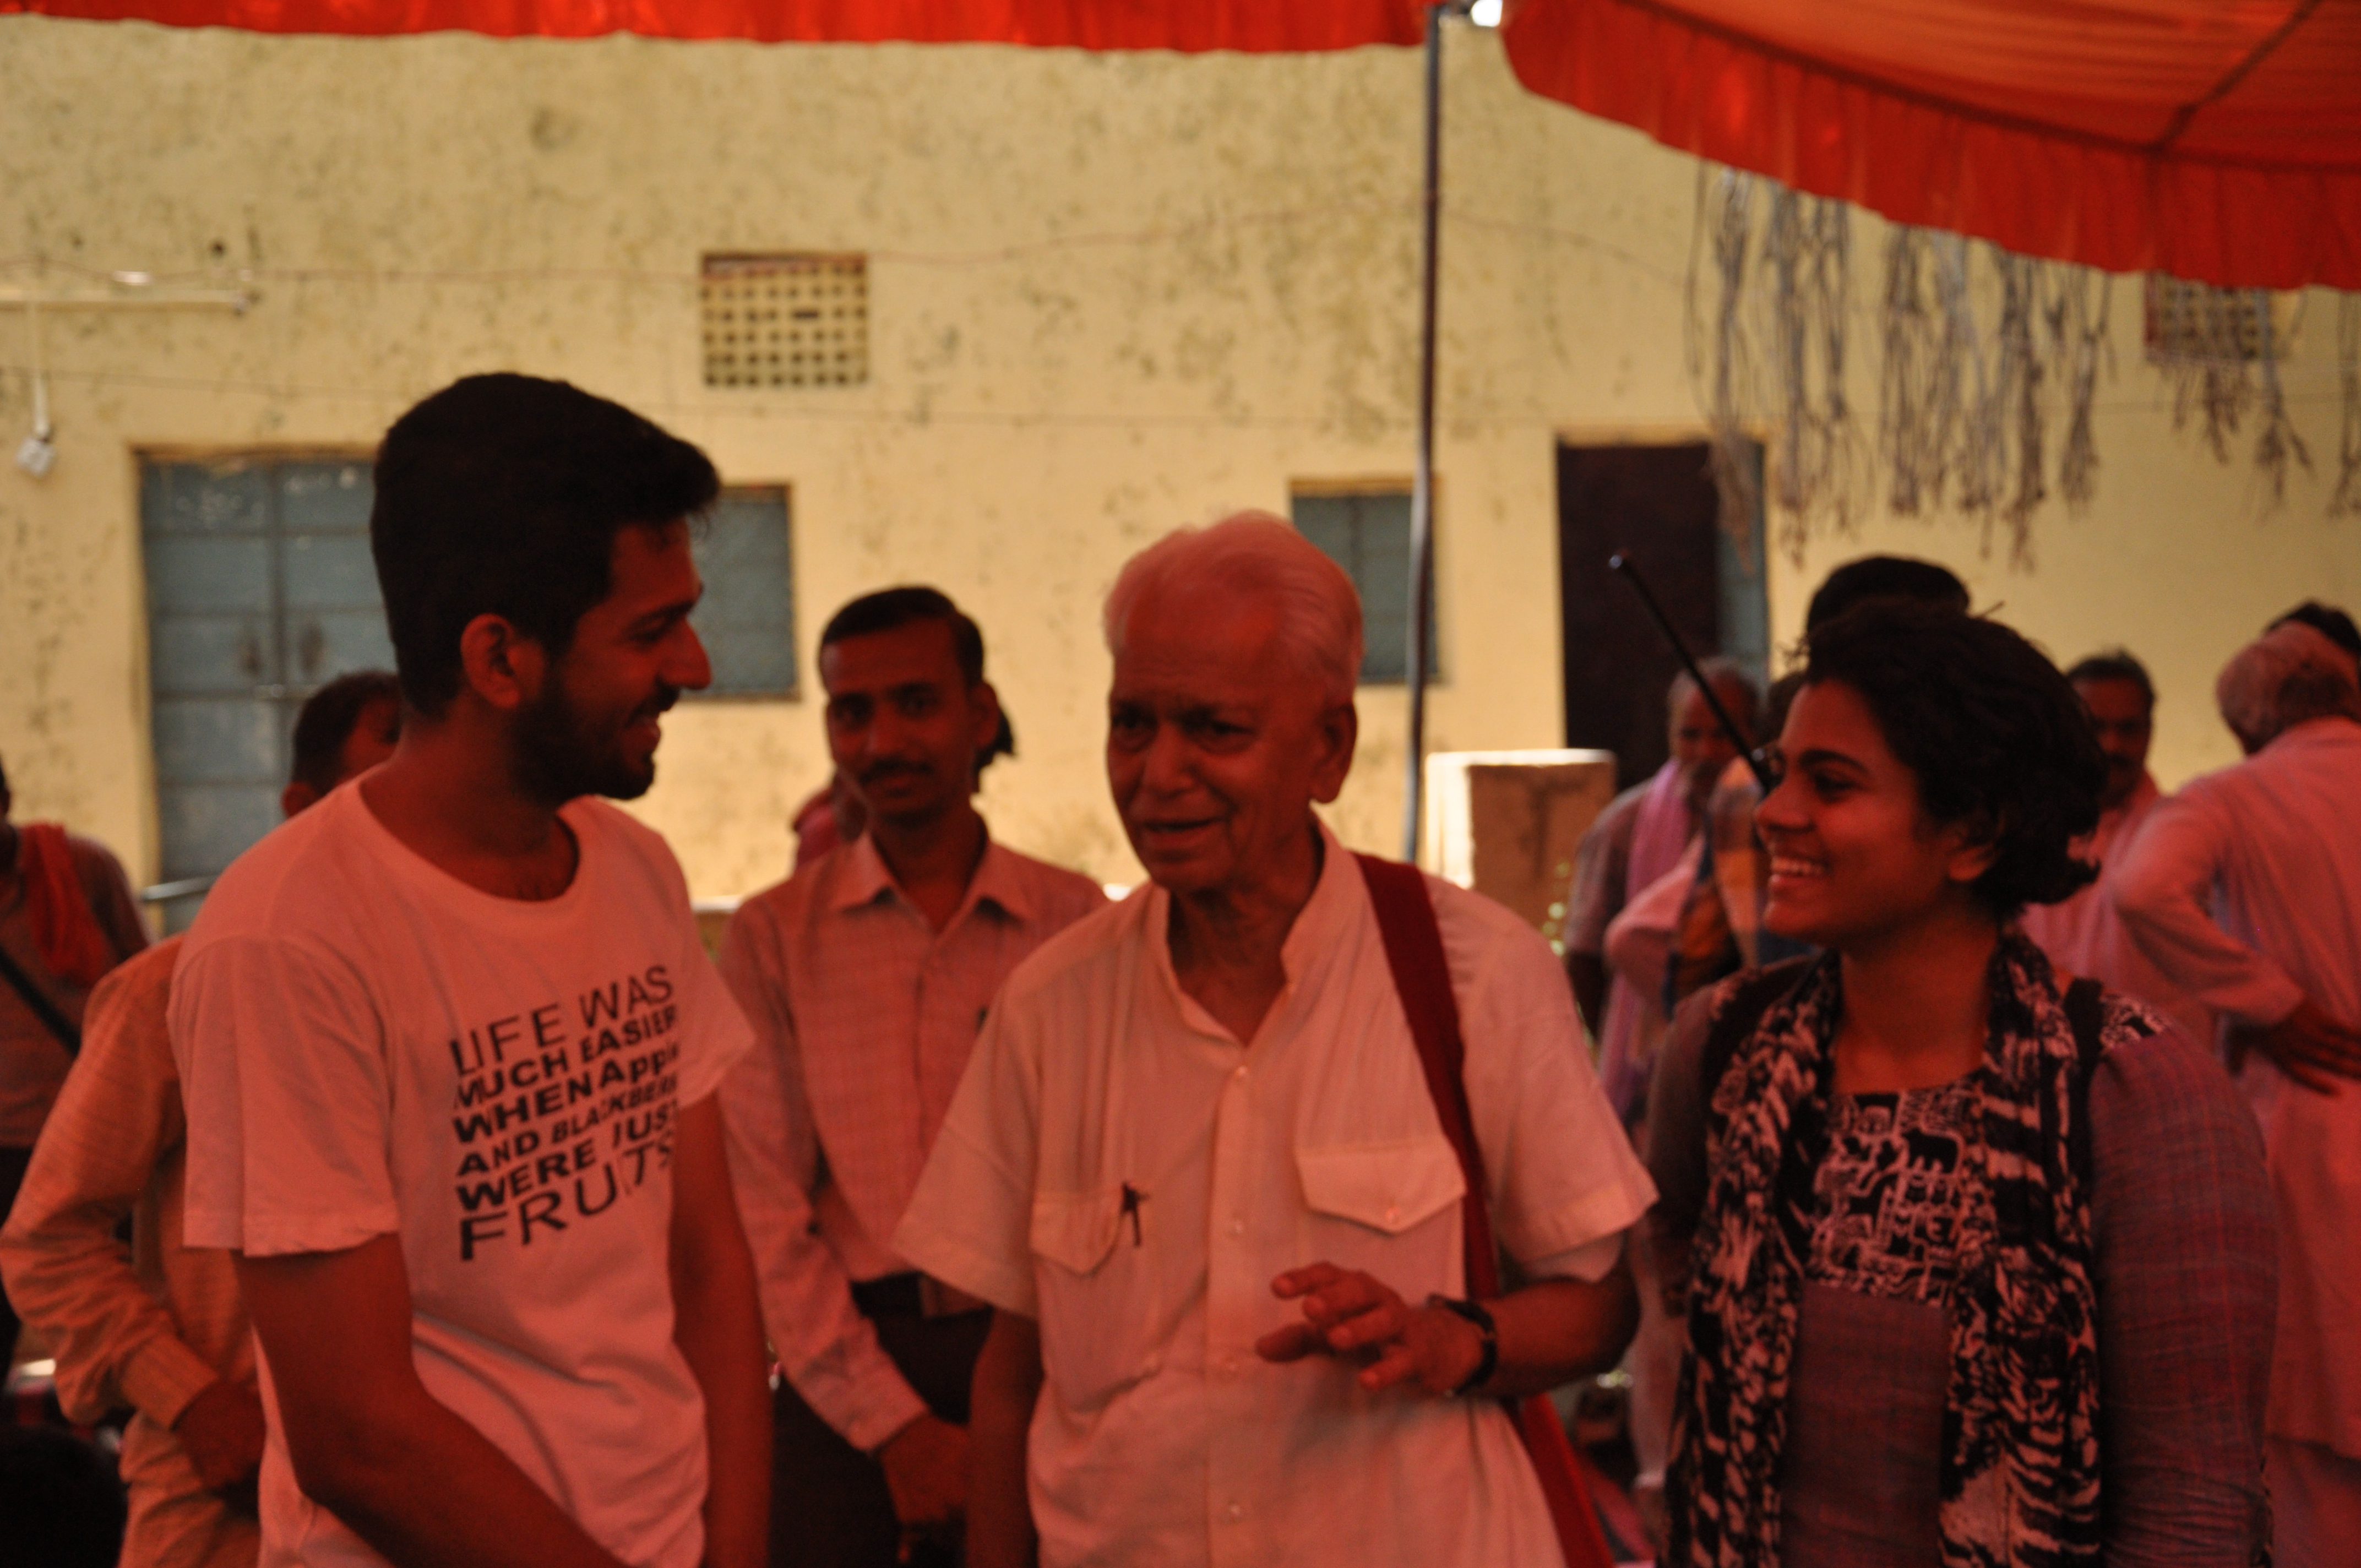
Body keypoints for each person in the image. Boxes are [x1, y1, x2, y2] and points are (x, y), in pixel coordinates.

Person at [893, 513, 1654, 1568]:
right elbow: (1013, 1369)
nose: (1158, 772)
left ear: (1328, 748)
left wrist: (1452, 1337)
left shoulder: (1474, 974)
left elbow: (1600, 1303)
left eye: (1213, 729)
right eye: (1131, 724)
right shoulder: (1049, 1007)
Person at [168, 374, 771, 1568]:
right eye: (649, 631)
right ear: (499, 657)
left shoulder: (635, 867)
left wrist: (734, 1546)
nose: (696, 666)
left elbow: (708, 1257)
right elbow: (357, 1435)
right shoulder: (288, 939)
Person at [1649, 600, 2274, 1568]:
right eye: (1781, 770)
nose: (1773, 811)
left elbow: (2190, 1513)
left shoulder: (2134, 1096)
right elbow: (1673, 1262)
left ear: (1973, 834)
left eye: (1831, 782)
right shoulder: (1728, 1049)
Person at [719, 587, 1104, 1568]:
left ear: (980, 713)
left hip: (1055, 1355)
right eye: (853, 712)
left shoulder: (1076, 924)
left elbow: (1115, 1179)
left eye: (916, 704)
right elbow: (765, 1214)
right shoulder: (773, 937)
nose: (883, 741)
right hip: (848, 1369)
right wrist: (896, 1431)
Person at [0, 669, 402, 1568]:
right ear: (302, 807)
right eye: (380, 791)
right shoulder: (179, 989)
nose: (413, 829)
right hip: (229, 1489)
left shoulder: (469, 989)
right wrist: (192, 1399)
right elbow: (46, 1238)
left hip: (432, 1479)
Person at [2108, 618, 2361, 1568]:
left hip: (2312, 1115)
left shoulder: (2236, 794)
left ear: (2247, 723)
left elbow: (2141, 887)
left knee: (2312, 1439)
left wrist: (2269, 999)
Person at [0, 752, 151, 1366]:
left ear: (5, 801)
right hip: (6, 1146)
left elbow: (142, 987)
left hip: (100, 1132)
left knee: (124, 1311)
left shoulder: (80, 869)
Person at [1565, 660, 1760, 1122]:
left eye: (1723, 734)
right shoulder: (1625, 826)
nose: (1706, 752)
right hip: (1649, 1071)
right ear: (1669, 735)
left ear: (1755, 734)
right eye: (1690, 735)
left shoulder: (1766, 816)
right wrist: (1622, 1044)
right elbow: (1586, 956)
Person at [2017, 652, 2208, 1044]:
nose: (2112, 745)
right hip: (2039, 1054)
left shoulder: (2190, 836)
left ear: (2150, 731)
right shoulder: (2023, 831)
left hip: (2161, 1058)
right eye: (2096, 727)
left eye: (2128, 729)